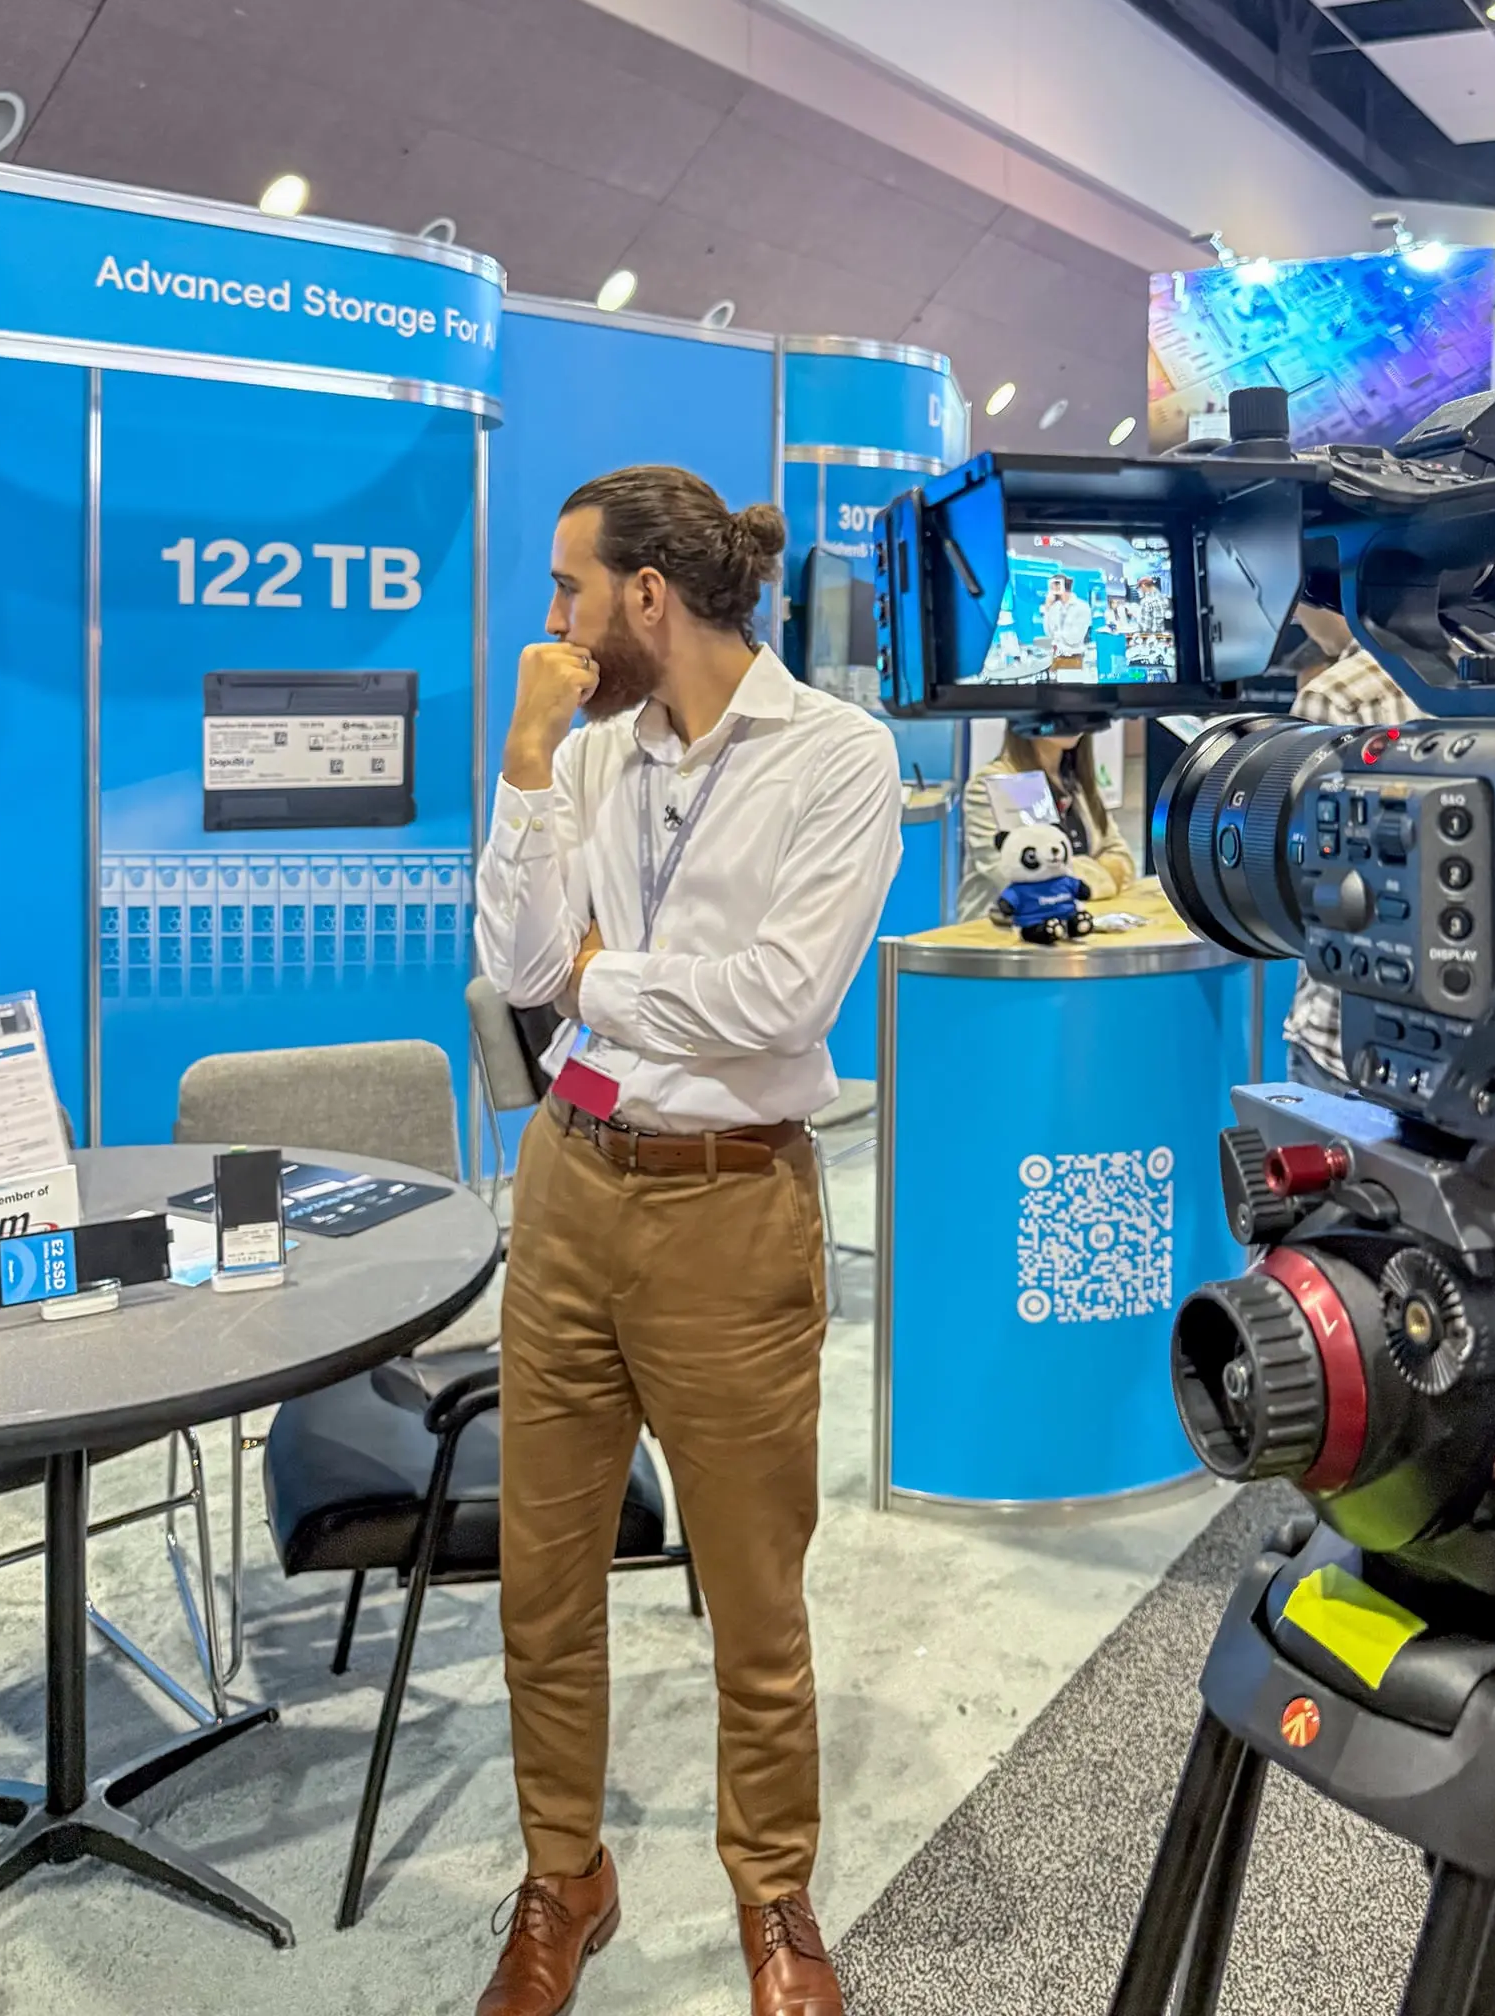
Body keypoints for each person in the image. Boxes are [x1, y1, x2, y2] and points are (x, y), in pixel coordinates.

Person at [473, 464, 901, 2016]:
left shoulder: (838, 758)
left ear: (644, 595)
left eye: (568, 588)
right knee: (543, 1584)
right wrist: (526, 765)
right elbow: (521, 963)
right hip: (569, 1187)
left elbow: (785, 1000)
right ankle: (563, 1872)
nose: (553, 621)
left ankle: (771, 1894)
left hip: (731, 1208)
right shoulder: (586, 756)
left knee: (754, 1595)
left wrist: (604, 980)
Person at [1281, 603, 1412, 1094]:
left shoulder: (1337, 699)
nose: (1297, 618)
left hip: (1345, 1040)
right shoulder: (1494, 677)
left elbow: (1294, 876)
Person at [957, 726, 1136, 922]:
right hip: (1004, 932)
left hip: (1079, 925)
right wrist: (1101, 875)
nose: (1070, 720)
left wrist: (1069, 874)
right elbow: (1022, 876)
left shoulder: (1075, 779)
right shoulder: (996, 782)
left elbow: (1121, 858)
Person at [1040, 572, 1093, 667]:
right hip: (1056, 657)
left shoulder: (1082, 607)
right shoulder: (1055, 607)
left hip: (1073, 658)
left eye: (1053, 587)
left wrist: (1058, 635)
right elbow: (1048, 632)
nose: (1051, 592)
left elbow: (1074, 638)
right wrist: (1047, 609)